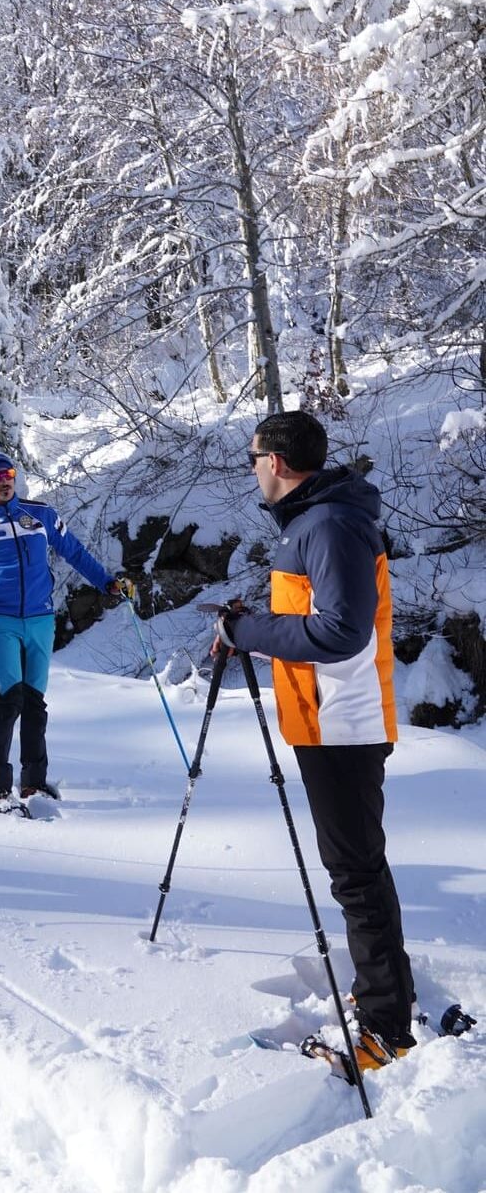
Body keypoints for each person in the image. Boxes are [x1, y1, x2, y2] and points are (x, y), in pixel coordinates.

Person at [213, 410, 415, 1072]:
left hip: (344, 726)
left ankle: (386, 1026)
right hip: (328, 720)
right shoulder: (317, 520)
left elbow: (340, 633)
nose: (251, 470)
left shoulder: (328, 524)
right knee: (356, 869)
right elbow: (316, 617)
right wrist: (260, 622)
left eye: (253, 458)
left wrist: (250, 635)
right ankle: (381, 992)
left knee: (357, 874)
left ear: (277, 462)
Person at [0, 451, 131, 808]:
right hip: (0, 621)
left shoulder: (42, 516)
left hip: (41, 620)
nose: (4, 482)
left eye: (9, 475)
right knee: (9, 698)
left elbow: (75, 553)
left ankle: (34, 783)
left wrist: (108, 583)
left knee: (34, 701)